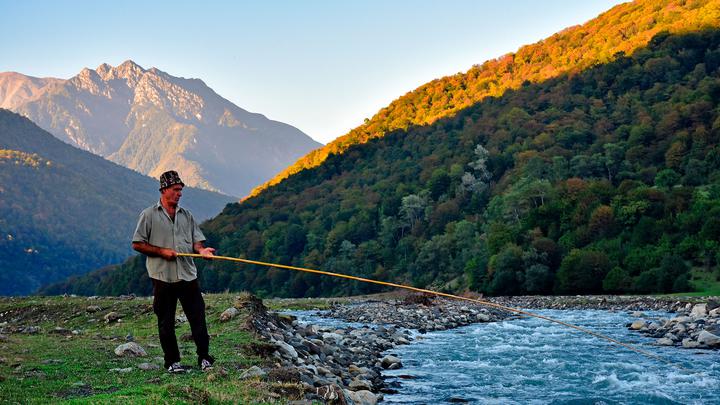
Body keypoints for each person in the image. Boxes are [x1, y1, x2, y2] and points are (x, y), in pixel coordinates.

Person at [131, 170, 216, 373]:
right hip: (162, 277)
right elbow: (137, 244)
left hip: (187, 275)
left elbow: (197, 241)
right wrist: (161, 252)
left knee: (198, 318)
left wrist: (202, 250)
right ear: (164, 190)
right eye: (176, 190)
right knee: (165, 322)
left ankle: (205, 358)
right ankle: (172, 362)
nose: (180, 194)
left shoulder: (187, 216)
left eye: (181, 190)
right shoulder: (148, 215)